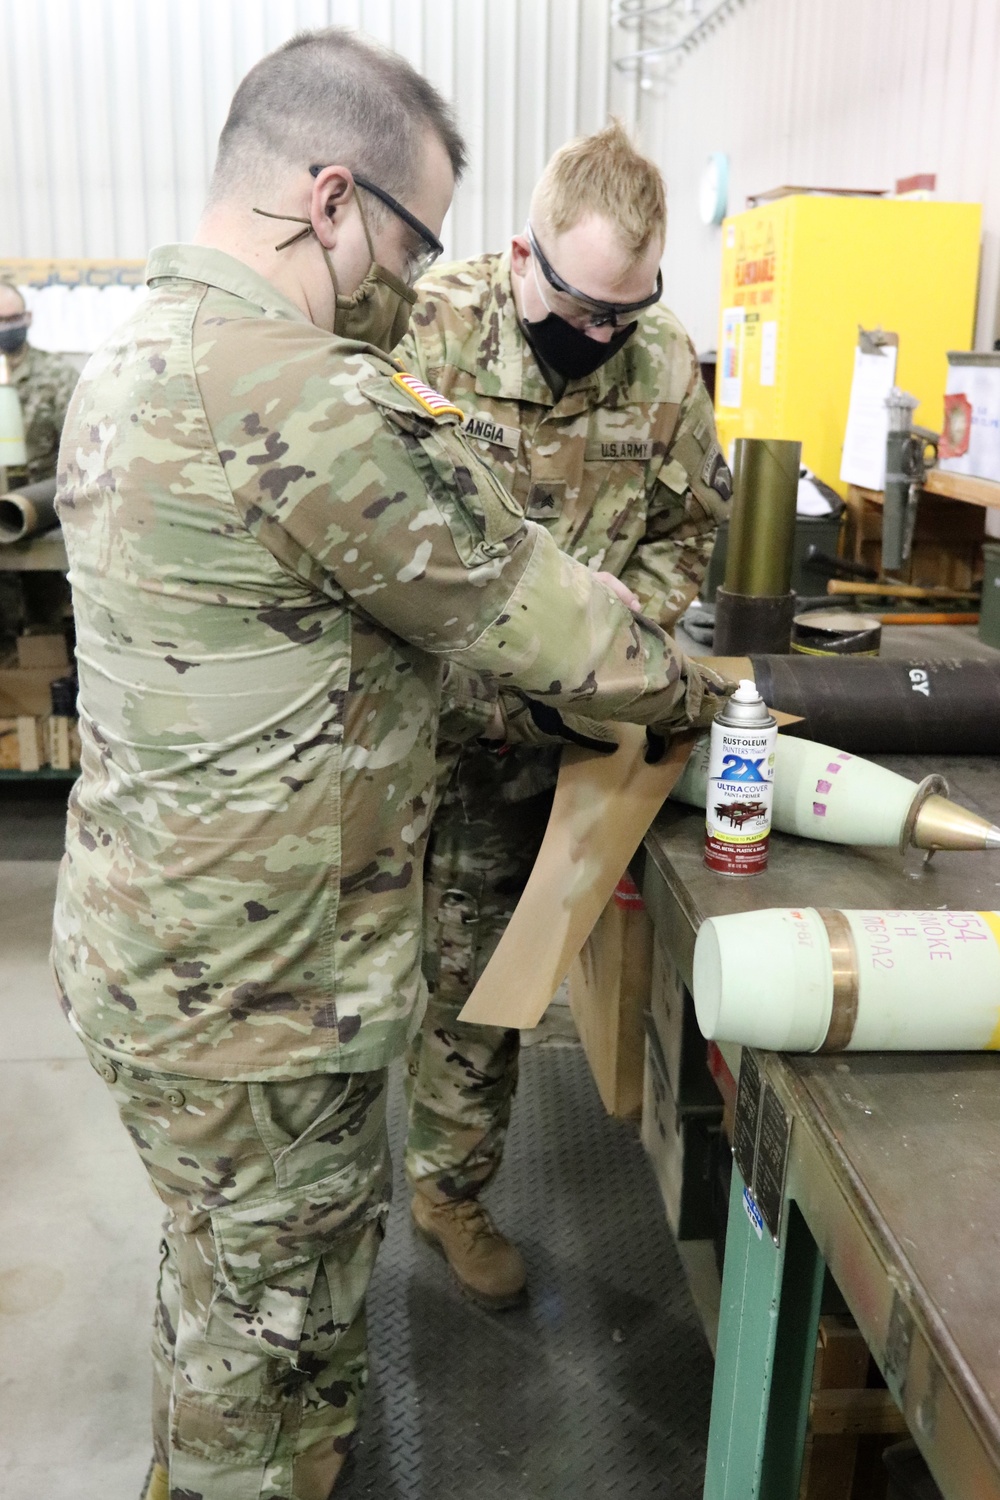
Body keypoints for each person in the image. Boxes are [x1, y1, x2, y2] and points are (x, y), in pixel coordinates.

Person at [51, 31, 727, 1500]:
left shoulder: (133, 358)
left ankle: (284, 1453)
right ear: (334, 197)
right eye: (405, 240)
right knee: (259, 1318)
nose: (404, 283)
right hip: (263, 992)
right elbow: (536, 615)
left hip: (165, 950)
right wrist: (690, 689)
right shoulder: (306, 400)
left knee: (241, 1275)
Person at [399, 121, 732, 1308]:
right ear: (519, 254)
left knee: (482, 977)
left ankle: (447, 1191)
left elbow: (685, 534)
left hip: (560, 742)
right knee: (350, 974)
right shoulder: (427, 327)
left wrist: (610, 654)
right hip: (407, 730)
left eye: (623, 316)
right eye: (581, 307)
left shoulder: (663, 366)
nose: (598, 337)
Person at [0, 281, 79, 486]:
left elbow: (79, 447)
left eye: (13, 319)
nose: (6, 327)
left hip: (38, 498)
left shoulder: (57, 374)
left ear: (28, 318)